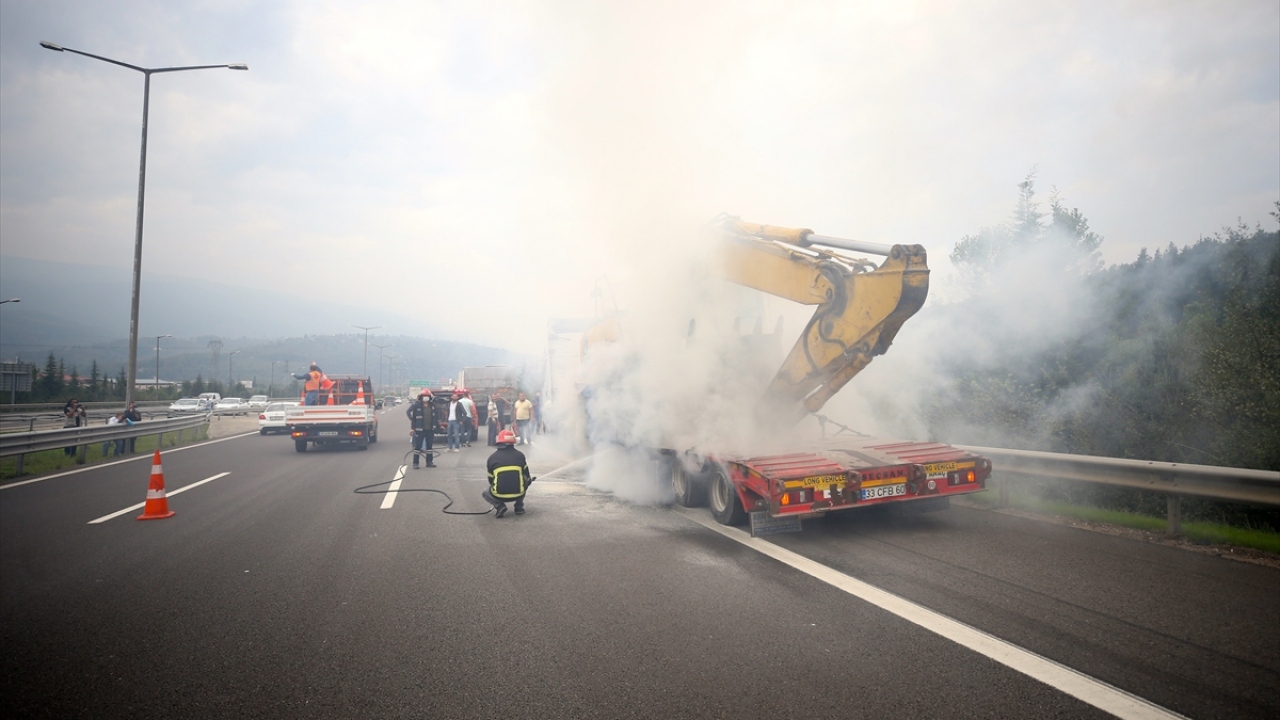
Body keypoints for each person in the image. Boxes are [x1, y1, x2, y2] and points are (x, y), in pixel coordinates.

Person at [483, 429, 533, 518]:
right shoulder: (520, 455)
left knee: (485, 492)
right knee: (524, 480)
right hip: (519, 493)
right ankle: (519, 507)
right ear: (513, 442)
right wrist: (528, 482)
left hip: (499, 495)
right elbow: (527, 476)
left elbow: (491, 480)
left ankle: (500, 506)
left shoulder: (492, 458)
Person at [407, 390, 436, 469]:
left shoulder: (432, 406)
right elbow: (414, 419)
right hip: (420, 430)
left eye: (427, 396)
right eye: (424, 396)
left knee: (429, 447)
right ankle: (415, 463)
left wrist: (438, 426)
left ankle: (429, 462)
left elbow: (435, 418)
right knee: (418, 447)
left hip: (430, 430)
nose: (425, 398)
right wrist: (412, 428)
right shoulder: (417, 406)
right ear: (421, 397)